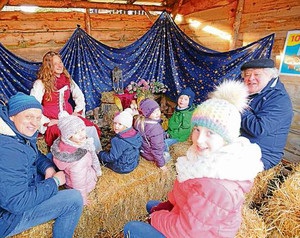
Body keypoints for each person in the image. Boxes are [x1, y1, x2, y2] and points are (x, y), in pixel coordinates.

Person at [124, 80, 264, 238]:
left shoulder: (217, 187)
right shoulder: (205, 160)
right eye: (197, 129)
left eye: (210, 133)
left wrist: (155, 218)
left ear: (226, 138)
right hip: (190, 216)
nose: (199, 139)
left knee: (131, 227)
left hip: (192, 233)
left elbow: (186, 231)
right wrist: (169, 205)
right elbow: (184, 194)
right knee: (152, 205)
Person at [0, 92, 83, 238]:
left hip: (16, 188)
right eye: (28, 117)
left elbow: (34, 154)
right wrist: (54, 182)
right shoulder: (9, 151)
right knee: (74, 199)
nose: (34, 123)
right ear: (13, 115)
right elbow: (17, 203)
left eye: (38, 118)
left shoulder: (15, 133)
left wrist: (48, 168)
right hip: (8, 218)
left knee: (54, 159)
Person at [30, 51, 102, 151]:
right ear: (49, 67)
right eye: (55, 64)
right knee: (66, 135)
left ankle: (92, 155)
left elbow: (79, 96)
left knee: (90, 128)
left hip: (69, 117)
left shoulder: (67, 79)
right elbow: (33, 105)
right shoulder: (40, 83)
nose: (59, 66)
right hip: (53, 120)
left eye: (60, 62)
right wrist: (47, 121)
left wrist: (77, 112)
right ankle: (72, 161)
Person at [240, 58, 293, 170]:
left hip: (263, 153)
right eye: (247, 75)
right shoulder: (251, 91)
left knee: (221, 168)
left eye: (257, 74)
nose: (251, 78)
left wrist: (239, 106)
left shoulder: (279, 100)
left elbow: (259, 129)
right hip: (241, 144)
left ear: (270, 76)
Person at [51, 112, 102, 205]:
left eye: (82, 129)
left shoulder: (63, 145)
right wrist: (82, 199)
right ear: (67, 135)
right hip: (86, 184)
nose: (81, 135)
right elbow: (79, 183)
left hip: (69, 180)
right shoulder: (79, 160)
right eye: (75, 133)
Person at [98, 108, 142, 174]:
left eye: (120, 124)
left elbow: (112, 158)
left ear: (127, 126)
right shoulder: (136, 134)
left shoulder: (118, 140)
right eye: (115, 123)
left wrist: (100, 154)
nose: (116, 126)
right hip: (133, 163)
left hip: (122, 168)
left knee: (100, 160)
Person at [134, 99, 170, 171]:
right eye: (153, 112)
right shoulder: (155, 128)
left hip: (144, 151)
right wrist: (161, 165)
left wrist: (163, 135)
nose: (157, 114)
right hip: (151, 156)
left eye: (158, 110)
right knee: (170, 144)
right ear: (147, 113)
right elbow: (157, 148)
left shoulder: (139, 121)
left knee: (165, 138)